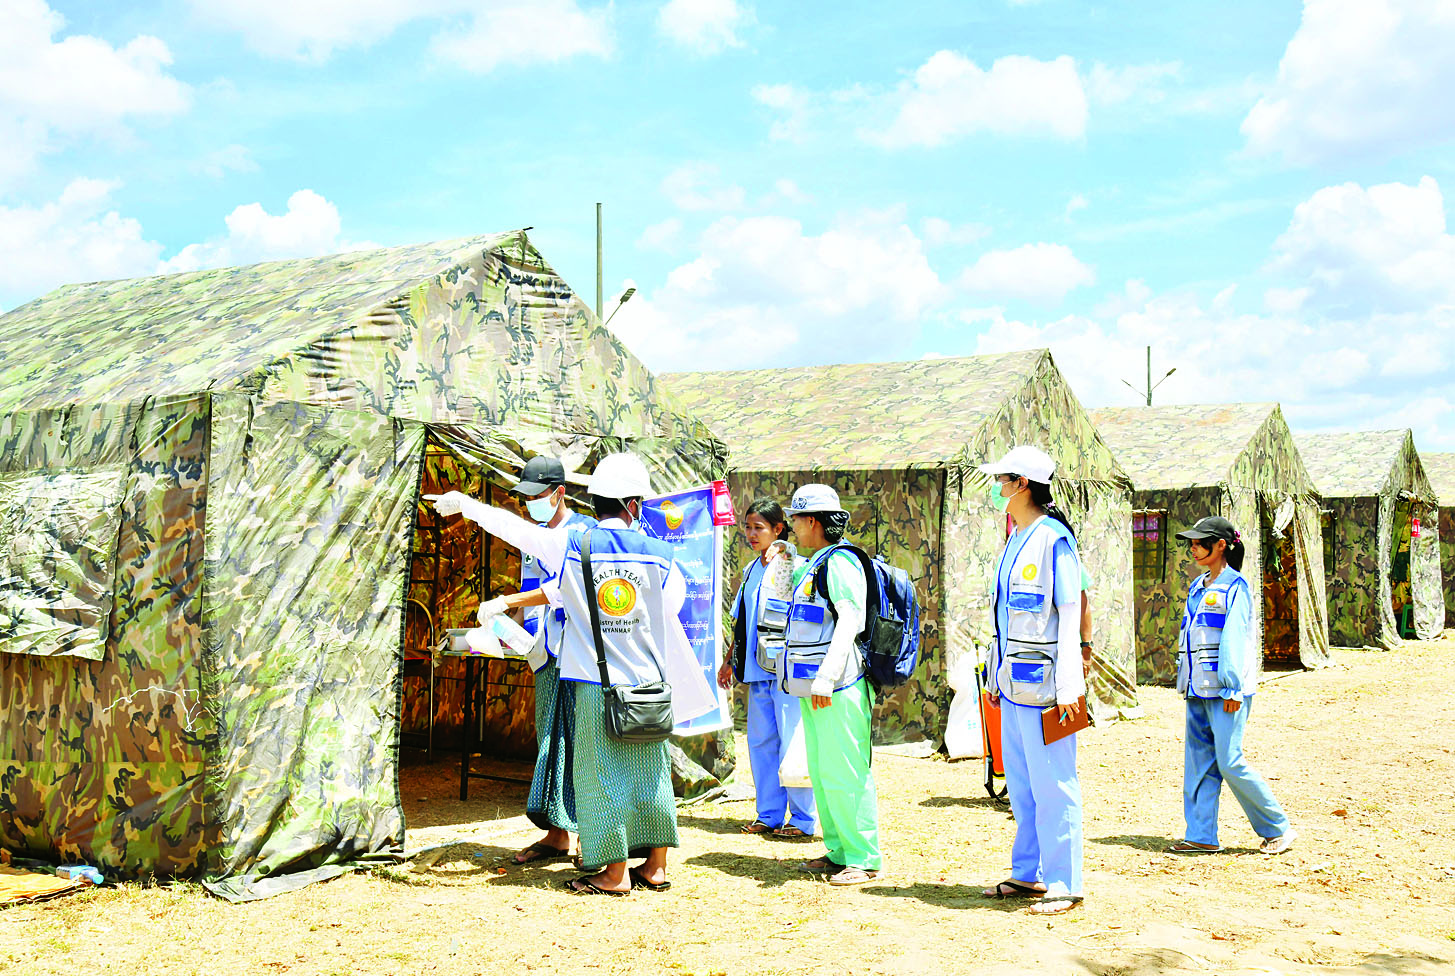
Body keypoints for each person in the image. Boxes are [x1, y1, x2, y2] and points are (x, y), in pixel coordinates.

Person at [547, 452, 707, 895]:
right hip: (649, 681)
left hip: (596, 682)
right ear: (633, 505)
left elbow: (560, 597)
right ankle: (655, 867)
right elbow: (670, 608)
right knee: (651, 772)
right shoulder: (661, 554)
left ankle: (614, 874)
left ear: (594, 501)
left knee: (600, 774)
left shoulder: (575, 547)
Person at [427, 456, 596, 866]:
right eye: (525, 498)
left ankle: (588, 835)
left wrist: (505, 601)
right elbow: (532, 594)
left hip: (578, 653)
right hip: (543, 653)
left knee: (580, 741)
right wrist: (505, 630)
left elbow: (564, 590)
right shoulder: (534, 539)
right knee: (550, 741)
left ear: (559, 493)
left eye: (537, 496)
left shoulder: (583, 533)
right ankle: (558, 834)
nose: (530, 503)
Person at [978, 446, 1086, 916]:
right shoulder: (1017, 538)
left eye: (1002, 480)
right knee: (1021, 785)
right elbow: (1005, 620)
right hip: (1013, 685)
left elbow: (1069, 616)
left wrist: (1069, 688)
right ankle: (1030, 872)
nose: (997, 488)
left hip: (1047, 691)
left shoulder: (1053, 540)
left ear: (1022, 484)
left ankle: (1065, 883)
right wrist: (994, 674)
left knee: (1054, 785)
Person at [1168, 516, 1296, 856]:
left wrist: (1232, 687)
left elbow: (1236, 638)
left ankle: (1277, 828)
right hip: (1197, 689)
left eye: (1200, 543)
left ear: (1221, 545)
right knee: (1199, 764)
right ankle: (1201, 835)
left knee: (1229, 761)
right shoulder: (1198, 586)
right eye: (1192, 543)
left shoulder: (1235, 587)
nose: (1193, 548)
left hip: (1226, 691)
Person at [783, 484, 884, 886]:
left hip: (838, 685)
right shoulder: (816, 562)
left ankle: (863, 857)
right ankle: (839, 850)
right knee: (824, 771)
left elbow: (850, 620)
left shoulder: (840, 562)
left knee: (846, 770)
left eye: (794, 518)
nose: (791, 525)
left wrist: (826, 676)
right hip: (817, 687)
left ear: (812, 521)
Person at [717, 498, 817, 840]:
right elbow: (742, 619)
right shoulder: (751, 570)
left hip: (785, 673)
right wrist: (730, 659)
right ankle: (769, 814)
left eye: (758, 527)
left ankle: (802, 819)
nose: (750, 534)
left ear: (778, 529)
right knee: (761, 744)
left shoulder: (788, 563)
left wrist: (786, 548)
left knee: (792, 741)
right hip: (757, 670)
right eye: (747, 527)